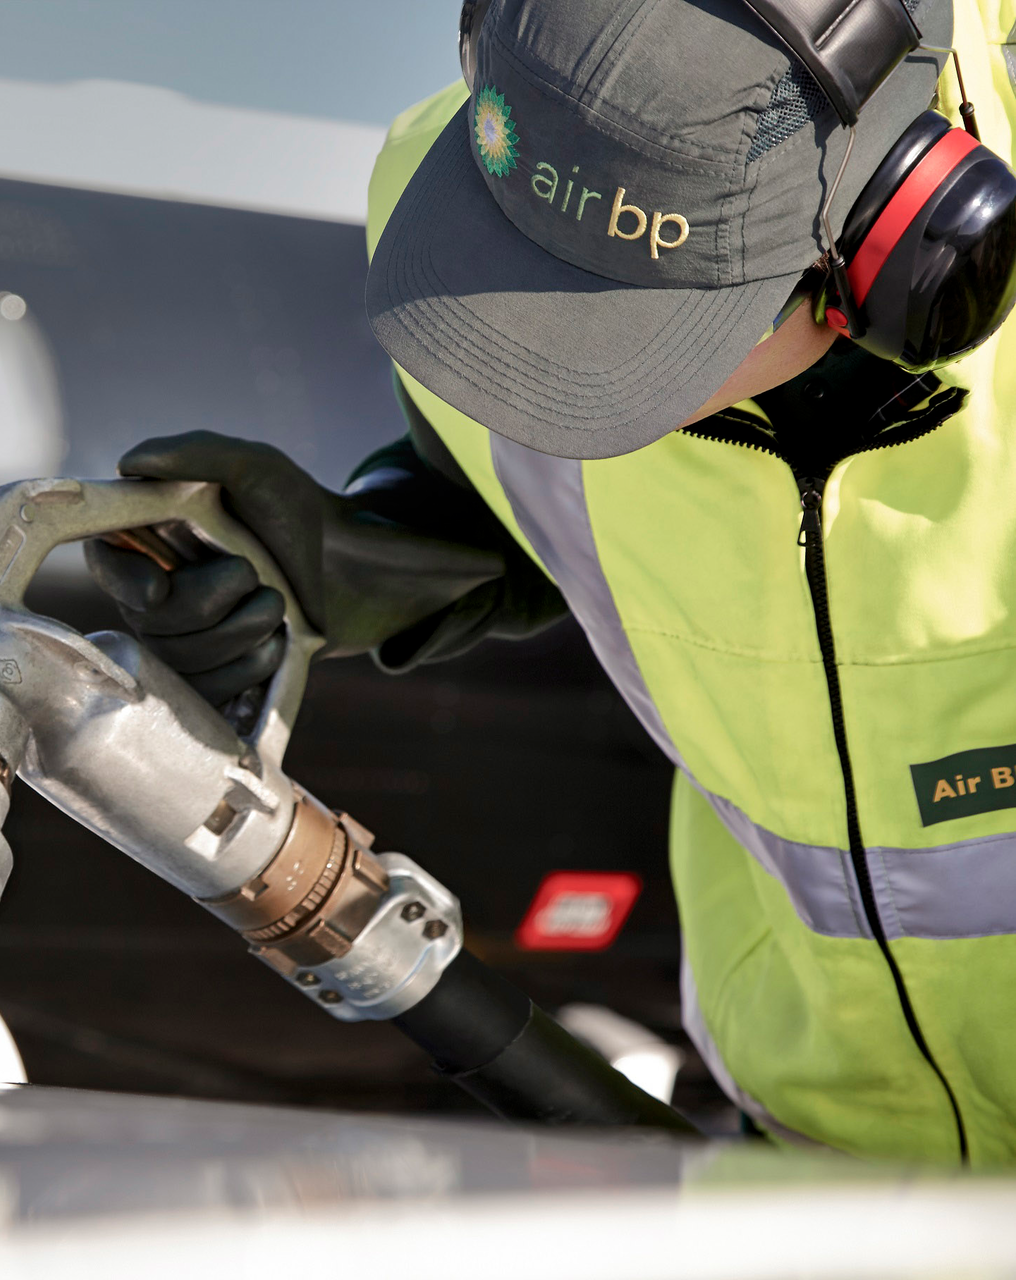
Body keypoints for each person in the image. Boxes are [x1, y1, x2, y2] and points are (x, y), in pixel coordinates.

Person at [87, 0, 1016, 1165]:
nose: (565, 374)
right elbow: (534, 500)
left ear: (905, 244)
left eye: (637, 332)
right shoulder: (478, 199)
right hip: (816, 1157)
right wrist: (381, 549)